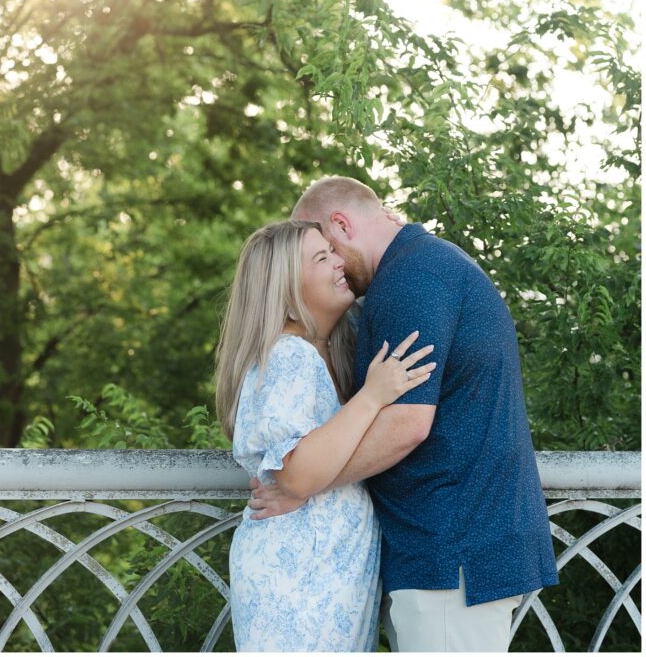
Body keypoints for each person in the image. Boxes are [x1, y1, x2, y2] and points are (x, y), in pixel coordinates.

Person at [249, 177, 559, 653]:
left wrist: (299, 485)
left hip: (450, 553)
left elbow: (407, 424)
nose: (334, 267)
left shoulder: (407, 281)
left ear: (340, 224)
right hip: (453, 547)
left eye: (325, 251)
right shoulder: (426, 265)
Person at [214, 219, 437, 652]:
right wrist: (372, 397)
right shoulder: (287, 357)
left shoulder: (324, 353)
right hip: (298, 581)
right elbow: (297, 474)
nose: (340, 262)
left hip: (326, 574)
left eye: (334, 252)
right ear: (286, 294)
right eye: (322, 257)